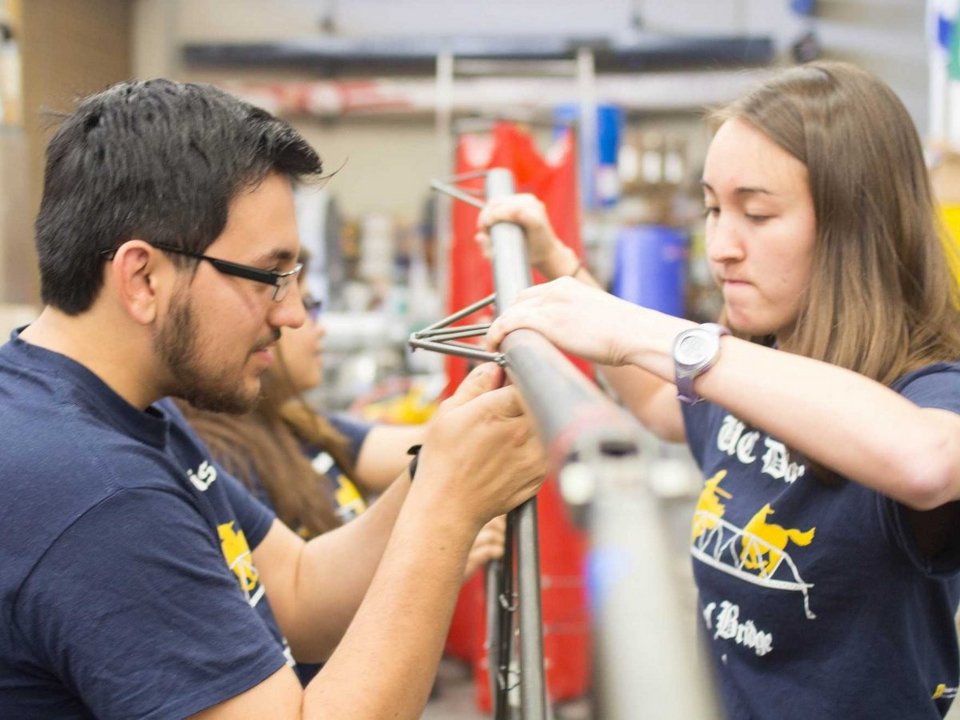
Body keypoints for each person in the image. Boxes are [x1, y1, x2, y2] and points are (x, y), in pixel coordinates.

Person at [0, 78, 545, 719]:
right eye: (269, 276)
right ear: (142, 277)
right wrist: (446, 514)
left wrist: (438, 468)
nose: (291, 314)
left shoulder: (120, 409)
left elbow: (299, 590)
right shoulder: (99, 495)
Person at [478, 61, 960, 719]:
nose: (721, 247)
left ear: (854, 227)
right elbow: (659, 406)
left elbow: (929, 462)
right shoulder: (755, 365)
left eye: (756, 213)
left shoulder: (929, 389)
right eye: (712, 208)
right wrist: (559, 265)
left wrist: (654, 335)